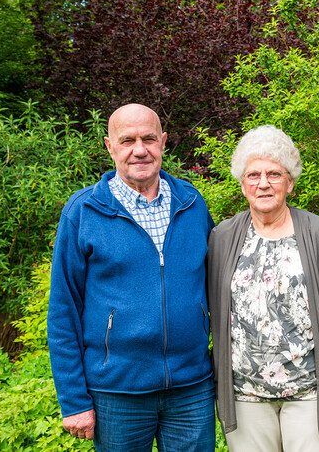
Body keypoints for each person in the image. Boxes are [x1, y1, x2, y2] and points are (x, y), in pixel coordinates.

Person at [47, 104, 215, 451]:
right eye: (128, 141)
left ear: (164, 142)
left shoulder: (191, 202)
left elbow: (215, 285)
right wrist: (74, 400)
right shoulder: (84, 211)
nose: (140, 150)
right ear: (110, 146)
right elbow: (64, 310)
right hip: (117, 392)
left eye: (149, 139)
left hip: (191, 389)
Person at [207, 125, 319, 452]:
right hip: (245, 398)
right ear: (242, 183)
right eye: (253, 175)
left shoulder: (318, 233)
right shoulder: (222, 237)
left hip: (311, 394)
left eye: (274, 174)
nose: (263, 183)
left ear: (290, 182)